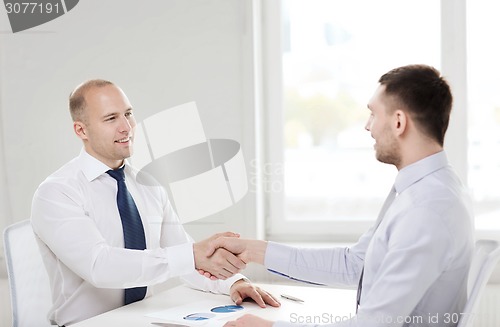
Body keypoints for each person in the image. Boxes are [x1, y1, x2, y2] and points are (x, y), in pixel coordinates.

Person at [207, 64, 474, 327]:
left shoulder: (426, 210)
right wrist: (254, 250)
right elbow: (356, 263)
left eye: (373, 114)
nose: (368, 127)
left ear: (399, 122)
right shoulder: (427, 190)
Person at [30, 79, 280, 326]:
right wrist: (192, 255)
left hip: (142, 317)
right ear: (81, 130)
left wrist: (234, 282)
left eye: (128, 114)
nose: (126, 127)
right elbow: (100, 266)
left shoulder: (145, 184)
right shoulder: (57, 192)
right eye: (111, 119)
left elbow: (183, 254)